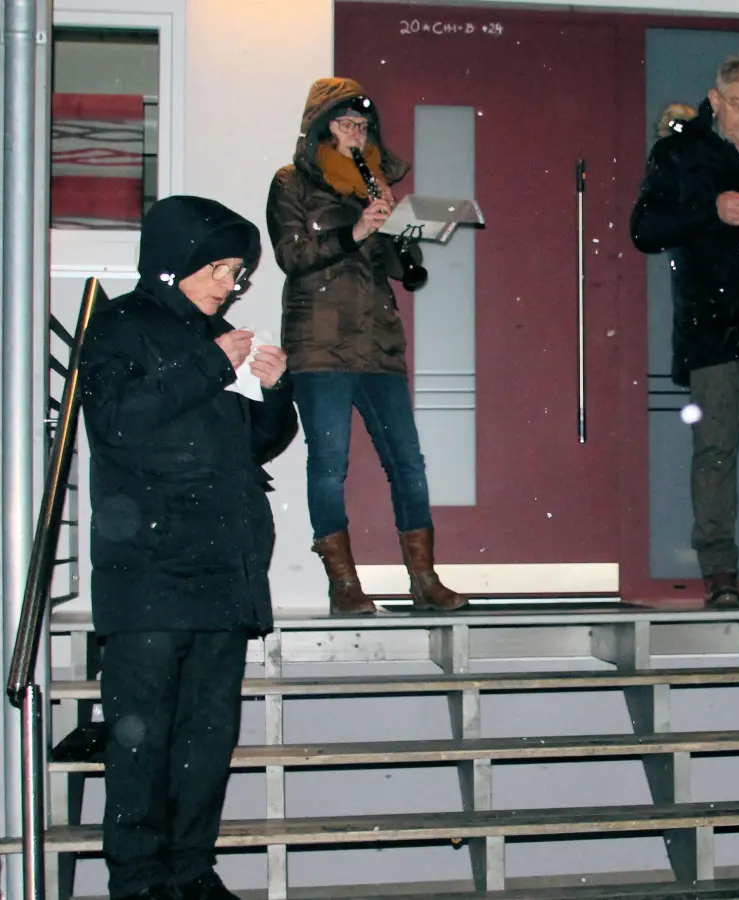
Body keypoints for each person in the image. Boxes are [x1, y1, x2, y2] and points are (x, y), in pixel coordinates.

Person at [80, 195, 298, 900]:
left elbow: (257, 442)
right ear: (174, 262)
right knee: (142, 739)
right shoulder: (121, 323)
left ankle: (190, 870)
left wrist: (276, 391)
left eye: (236, 273)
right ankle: (138, 882)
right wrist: (207, 365)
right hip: (149, 569)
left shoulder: (222, 336)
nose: (228, 286)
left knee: (207, 738)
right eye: (218, 269)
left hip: (223, 566)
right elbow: (115, 423)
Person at [267, 76, 467, 616]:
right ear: (321, 128)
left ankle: (424, 580)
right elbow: (291, 255)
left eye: (362, 125)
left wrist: (404, 231)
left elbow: (402, 273)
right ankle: (343, 585)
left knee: (408, 463)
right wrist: (354, 231)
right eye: (346, 123)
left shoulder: (373, 184)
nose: (357, 133)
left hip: (377, 341)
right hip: (320, 341)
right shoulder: (292, 182)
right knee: (329, 465)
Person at [631, 55, 739, 608]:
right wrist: (709, 209)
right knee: (715, 448)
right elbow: (644, 229)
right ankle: (718, 571)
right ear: (714, 101)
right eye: (738, 104)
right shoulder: (679, 151)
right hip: (710, 323)